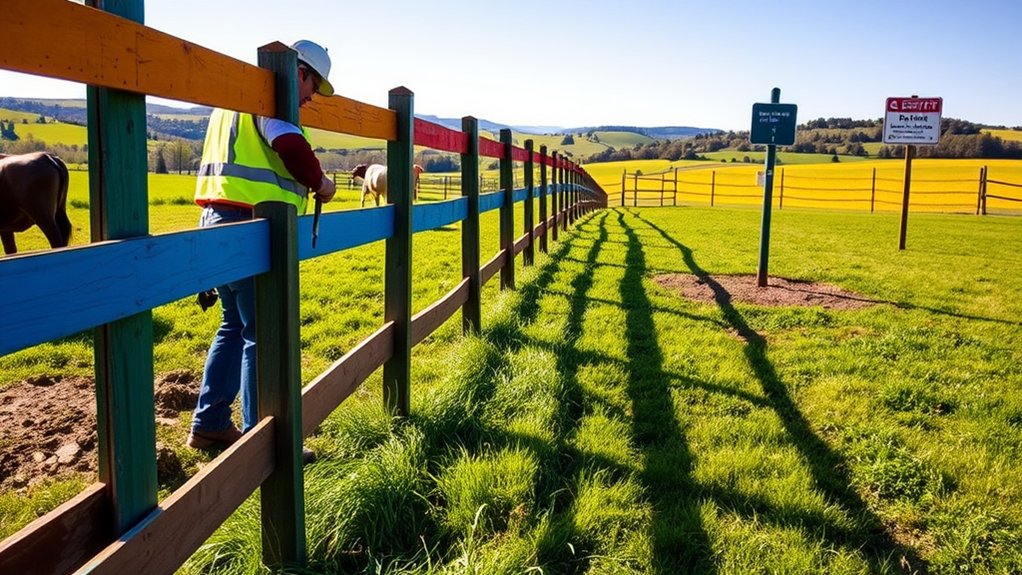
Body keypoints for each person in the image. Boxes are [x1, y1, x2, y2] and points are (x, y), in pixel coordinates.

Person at [187, 40, 337, 458]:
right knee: (262, 332)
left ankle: (210, 423)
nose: (308, 98)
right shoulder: (270, 97)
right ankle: (262, 441)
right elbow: (290, 146)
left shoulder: (231, 102)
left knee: (233, 326)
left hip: (217, 221)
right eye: (312, 86)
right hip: (249, 225)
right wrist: (321, 184)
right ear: (299, 72)